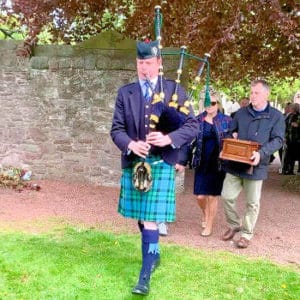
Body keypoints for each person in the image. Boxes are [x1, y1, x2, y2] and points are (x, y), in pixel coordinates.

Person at [110, 40, 198, 295]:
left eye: (149, 63)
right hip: (135, 163)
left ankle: (145, 276)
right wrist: (130, 144)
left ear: (159, 64)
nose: (144, 69)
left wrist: (169, 138)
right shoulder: (125, 93)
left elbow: (192, 125)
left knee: (150, 219)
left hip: (160, 163)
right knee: (142, 216)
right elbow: (116, 129)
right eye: (140, 63)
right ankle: (154, 253)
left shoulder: (173, 90)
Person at [221, 79, 285, 249]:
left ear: (266, 94)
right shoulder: (241, 113)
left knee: (252, 203)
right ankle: (234, 223)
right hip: (235, 163)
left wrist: (261, 153)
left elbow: (278, 140)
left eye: (256, 93)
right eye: (251, 92)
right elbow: (229, 132)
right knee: (227, 196)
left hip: (257, 165)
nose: (252, 96)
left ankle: (246, 234)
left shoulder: (276, 116)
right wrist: (230, 137)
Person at [189, 90, 232, 236]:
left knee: (213, 195)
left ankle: (209, 225)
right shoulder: (198, 119)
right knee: (200, 196)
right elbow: (190, 141)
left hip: (218, 162)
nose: (209, 106)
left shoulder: (227, 120)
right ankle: (205, 213)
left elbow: (231, 141)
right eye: (207, 103)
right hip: (201, 160)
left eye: (212, 103)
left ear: (218, 103)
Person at [282, 103, 300, 175]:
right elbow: (285, 126)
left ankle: (296, 169)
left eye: (292, 108)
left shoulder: (299, 116)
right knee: (289, 155)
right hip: (289, 139)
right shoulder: (289, 116)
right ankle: (289, 170)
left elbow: (297, 125)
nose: (290, 109)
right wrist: (285, 137)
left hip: (297, 139)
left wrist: (298, 125)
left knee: (296, 154)